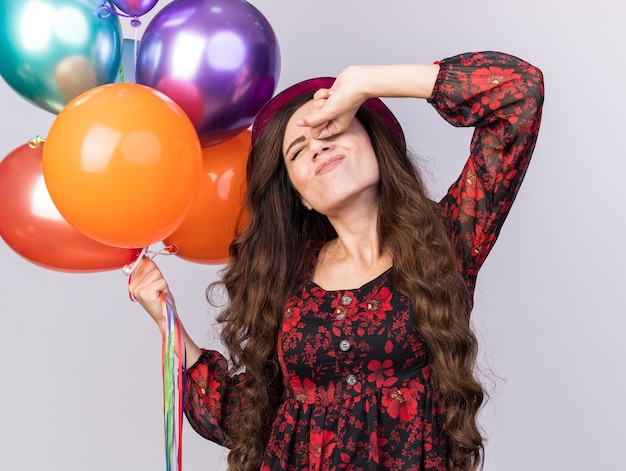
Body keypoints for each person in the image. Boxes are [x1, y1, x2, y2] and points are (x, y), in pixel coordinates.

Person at [129, 50, 544, 471]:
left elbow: (518, 91)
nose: (318, 146)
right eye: (297, 151)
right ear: (301, 197)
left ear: (374, 141)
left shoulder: (448, 238)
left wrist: (364, 82)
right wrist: (166, 318)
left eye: (331, 126)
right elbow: (246, 419)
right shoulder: (286, 280)